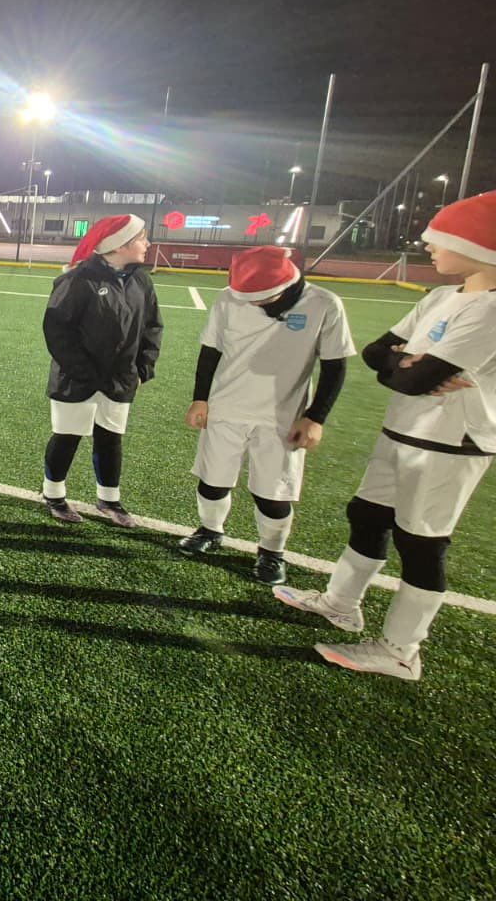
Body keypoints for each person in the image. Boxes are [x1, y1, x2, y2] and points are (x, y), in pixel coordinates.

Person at [275, 192, 496, 681]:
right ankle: (341, 604)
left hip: (449, 443)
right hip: (402, 429)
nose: (428, 246)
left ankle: (401, 651)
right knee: (367, 515)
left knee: (421, 543)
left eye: (441, 239)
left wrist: (410, 368)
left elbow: (416, 379)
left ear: (479, 246)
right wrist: (404, 364)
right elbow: (377, 353)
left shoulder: (490, 310)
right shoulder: (441, 297)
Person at [178, 246, 353, 584]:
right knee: (212, 481)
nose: (254, 303)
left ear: (285, 285)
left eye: (261, 298)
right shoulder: (228, 299)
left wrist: (316, 417)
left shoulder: (324, 304)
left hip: (282, 416)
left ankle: (272, 552)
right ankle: (210, 529)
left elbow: (335, 365)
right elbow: (210, 350)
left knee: (273, 494)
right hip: (226, 408)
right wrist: (200, 399)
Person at [39, 213, 162, 526]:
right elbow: (57, 330)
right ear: (119, 245)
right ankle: (53, 494)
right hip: (76, 380)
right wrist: (83, 372)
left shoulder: (142, 281)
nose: (147, 244)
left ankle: (109, 499)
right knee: (67, 437)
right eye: (141, 238)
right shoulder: (78, 280)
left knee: (111, 439)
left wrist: (143, 368)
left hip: (120, 379)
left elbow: (152, 327)